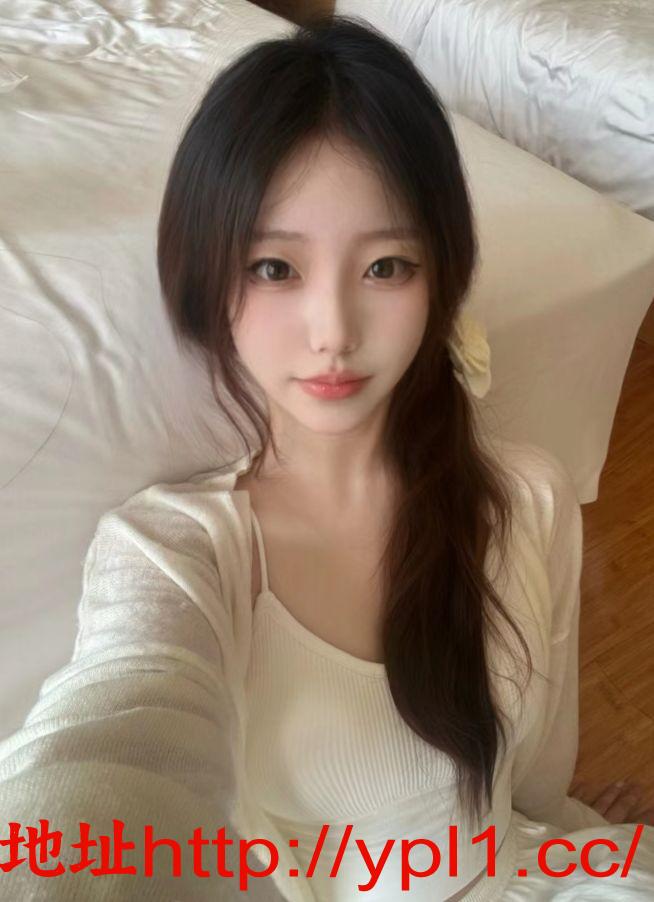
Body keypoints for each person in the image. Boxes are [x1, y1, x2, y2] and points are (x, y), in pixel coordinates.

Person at [1, 13, 653, 901]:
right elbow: (110, 749)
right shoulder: (175, 552)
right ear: (209, 282)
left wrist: (580, 836)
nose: (335, 332)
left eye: (386, 267)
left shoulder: (527, 498)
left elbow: (530, 781)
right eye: (275, 269)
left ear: (441, 274)